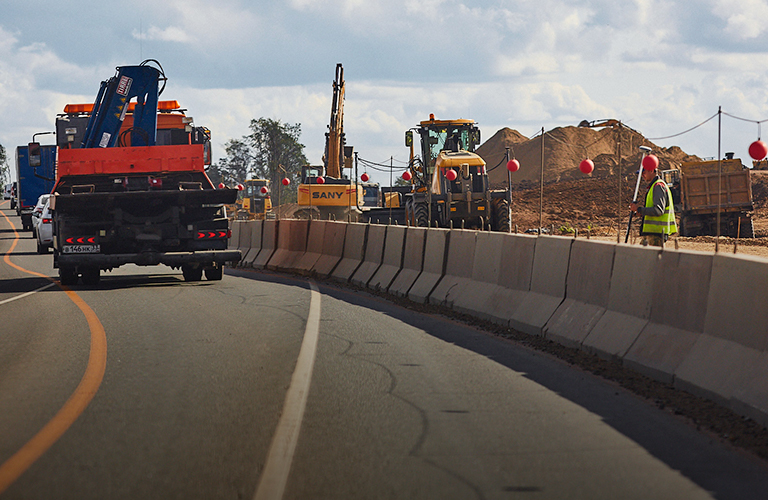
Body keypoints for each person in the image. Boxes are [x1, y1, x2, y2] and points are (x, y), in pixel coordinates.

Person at [629, 166, 677, 247]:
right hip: (652, 235)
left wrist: (639, 209)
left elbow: (658, 210)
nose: (642, 175)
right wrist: (639, 212)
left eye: (644, 172)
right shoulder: (654, 186)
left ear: (651, 170)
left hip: (656, 235)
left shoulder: (658, 186)